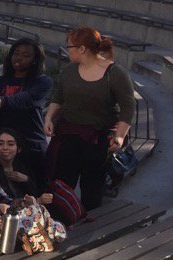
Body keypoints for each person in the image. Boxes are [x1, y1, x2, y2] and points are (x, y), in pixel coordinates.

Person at [44, 27, 135, 211]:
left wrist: (119, 136)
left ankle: (91, 221)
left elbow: (128, 106)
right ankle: (62, 218)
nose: (67, 49)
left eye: (69, 46)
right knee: (62, 182)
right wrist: (49, 117)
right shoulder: (69, 71)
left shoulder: (115, 73)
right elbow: (58, 97)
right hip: (68, 135)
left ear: (82, 49)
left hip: (97, 140)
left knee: (92, 187)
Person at [0, 38, 52, 182]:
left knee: (35, 187)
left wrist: (3, 100)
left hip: (32, 147)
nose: (19, 58)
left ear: (34, 60)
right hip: (5, 149)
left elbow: (27, 99)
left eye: (26, 55)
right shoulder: (0, 81)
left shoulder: (43, 82)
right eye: (16, 53)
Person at [0, 128, 52, 204]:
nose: (5, 148)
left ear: (19, 149)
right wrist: (38, 201)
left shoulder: (22, 165)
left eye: (10, 144)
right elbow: (3, 201)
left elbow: (34, 193)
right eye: (0, 144)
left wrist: (26, 180)